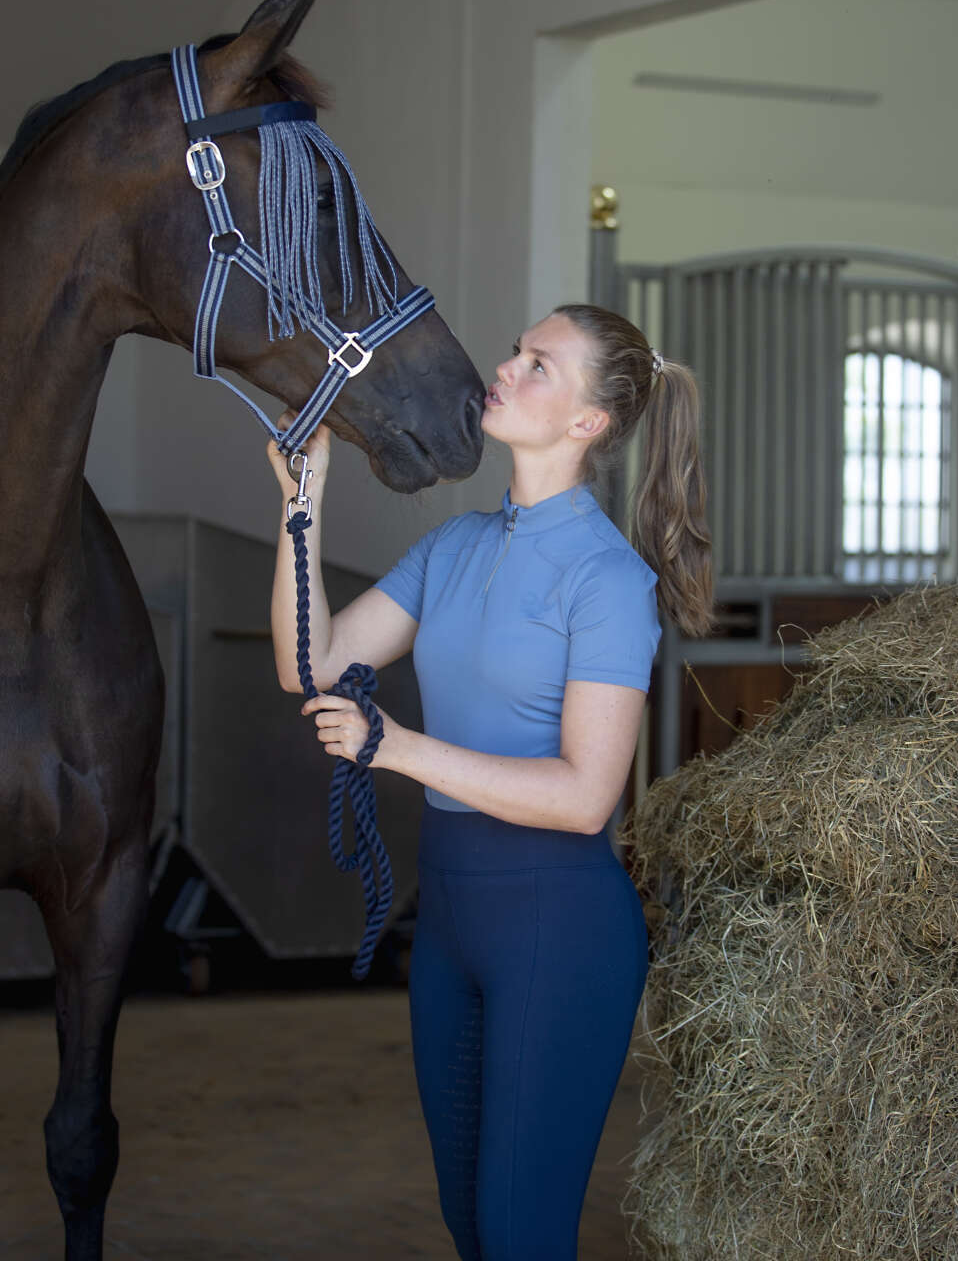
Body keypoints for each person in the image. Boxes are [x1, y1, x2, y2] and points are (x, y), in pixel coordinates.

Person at [267, 303, 712, 1261]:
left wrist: (396, 748)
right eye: (516, 352)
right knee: (470, 1224)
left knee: (519, 1232)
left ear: (587, 422)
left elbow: (586, 796)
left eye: (537, 365)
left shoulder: (605, 581)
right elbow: (314, 661)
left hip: (558, 927)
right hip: (453, 923)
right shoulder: (454, 547)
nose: (503, 370)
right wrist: (301, 512)